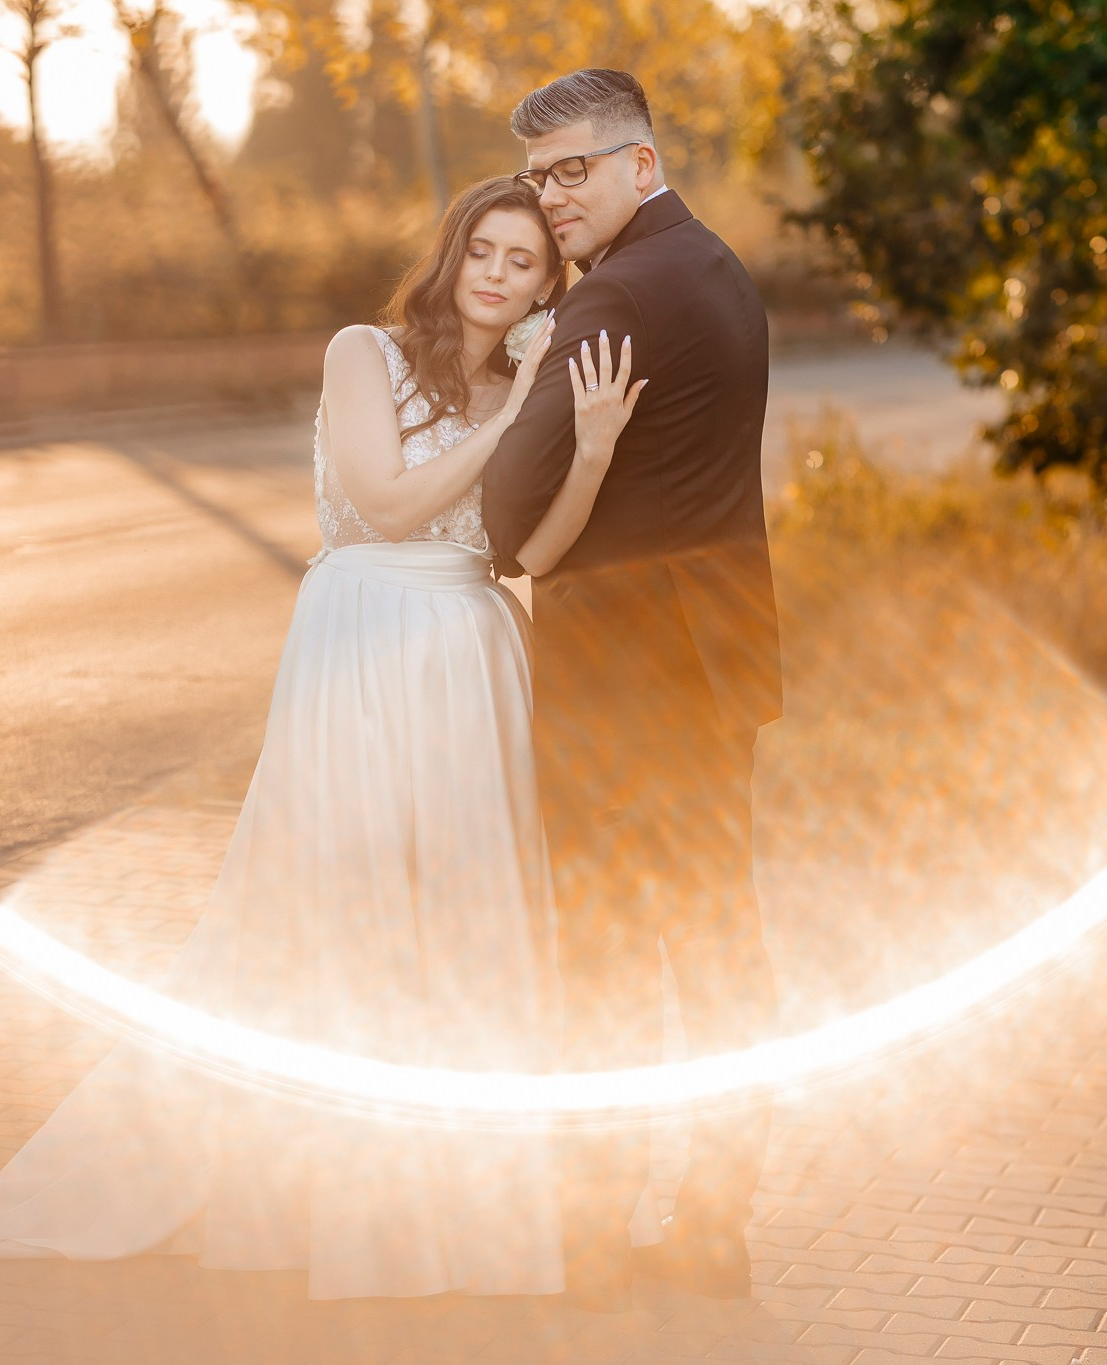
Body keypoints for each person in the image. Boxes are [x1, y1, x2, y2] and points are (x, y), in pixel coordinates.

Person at [0, 175, 648, 1300]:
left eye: (524, 263)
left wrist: (589, 449)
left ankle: (453, 1212)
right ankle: (333, 1205)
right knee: (342, 911)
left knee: (462, 920)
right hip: (366, 639)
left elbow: (533, 558)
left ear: (544, 287)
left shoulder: (522, 392)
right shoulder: (361, 355)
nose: (496, 274)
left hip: (474, 653)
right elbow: (381, 505)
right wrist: (522, 405)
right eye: (482, 249)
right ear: (451, 254)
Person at [481, 69, 787, 1312]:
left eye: (574, 170)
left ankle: (603, 1232)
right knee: (716, 946)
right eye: (538, 176)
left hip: (620, 685)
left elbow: (507, 514)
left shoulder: (615, 295)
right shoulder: (714, 270)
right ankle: (715, 1226)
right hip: (709, 666)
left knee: (610, 956)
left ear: (640, 164)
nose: (552, 197)